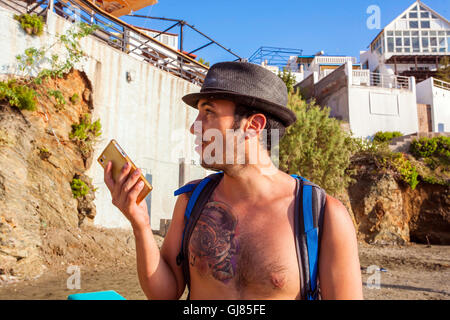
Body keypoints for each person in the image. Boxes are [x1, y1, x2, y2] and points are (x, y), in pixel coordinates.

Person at [103, 61, 363, 300]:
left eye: (209, 113)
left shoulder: (323, 215)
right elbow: (165, 294)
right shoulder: (192, 201)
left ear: (253, 125)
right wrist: (140, 224)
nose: (195, 127)